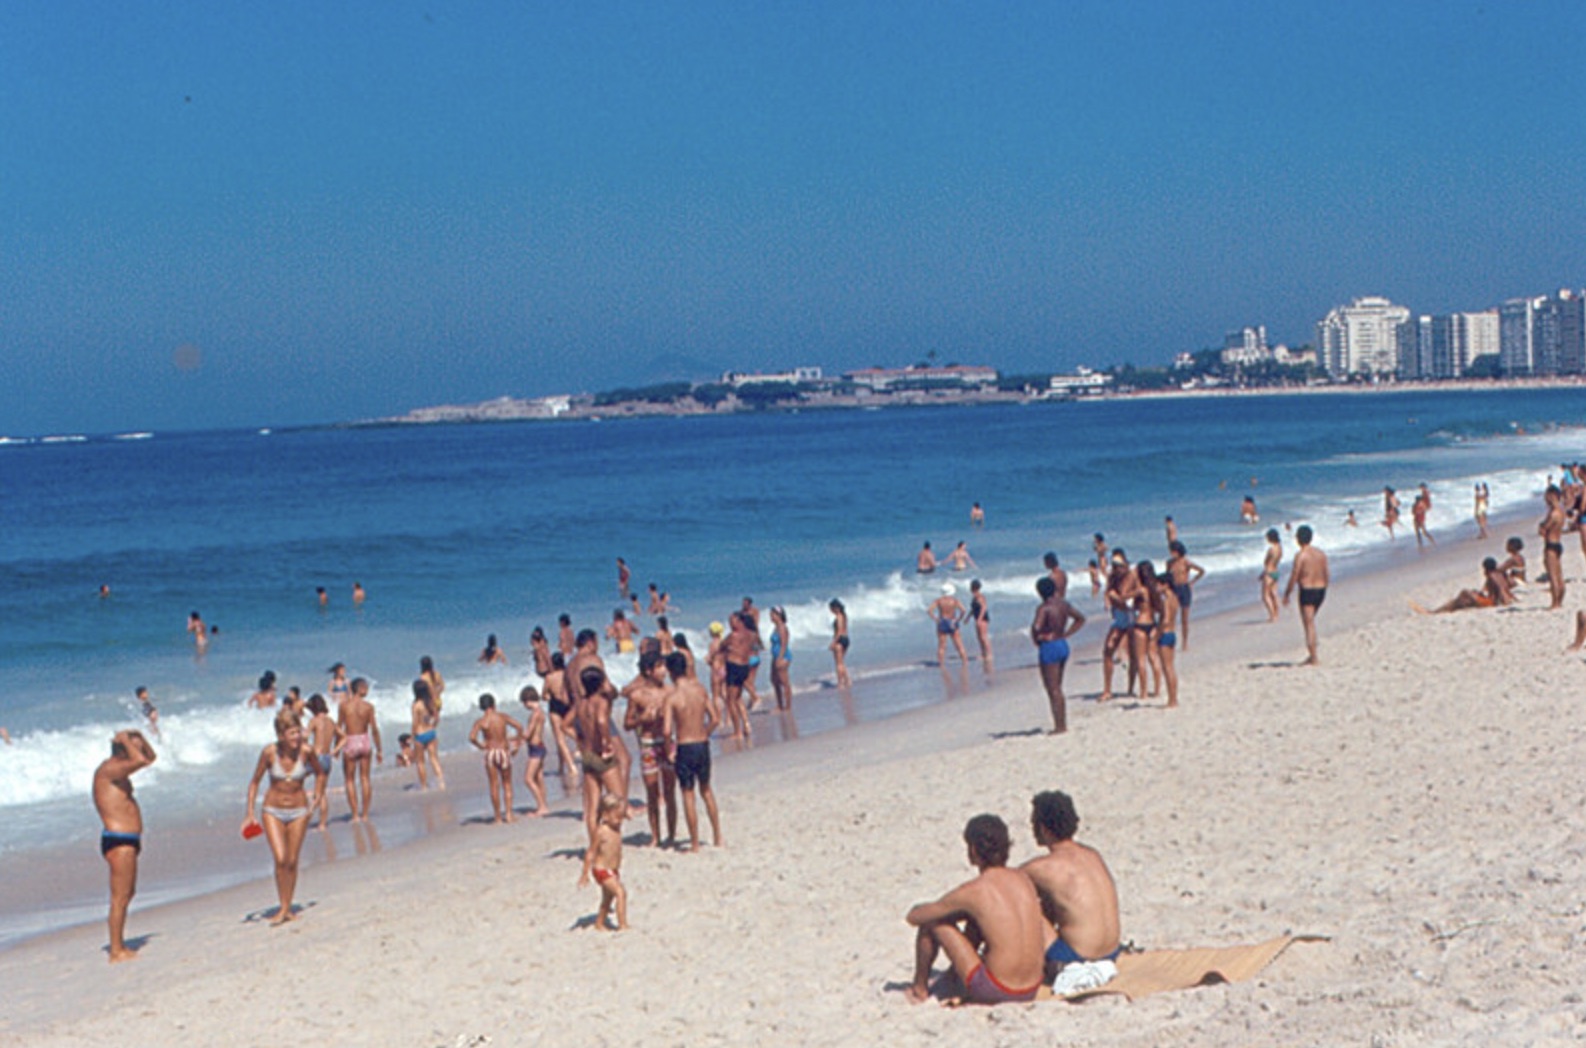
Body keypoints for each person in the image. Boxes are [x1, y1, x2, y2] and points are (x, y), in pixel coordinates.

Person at [905, 814, 1047, 1005]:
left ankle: (919, 989)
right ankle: (951, 978)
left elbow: (915, 917)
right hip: (1032, 987)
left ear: (973, 850)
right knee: (977, 919)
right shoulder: (1024, 879)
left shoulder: (975, 890)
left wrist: (922, 909)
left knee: (933, 921)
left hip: (998, 989)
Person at [1020, 791, 1122, 996]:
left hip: (1074, 958)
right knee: (1052, 898)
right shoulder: (1093, 855)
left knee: (1021, 904)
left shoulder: (1042, 868)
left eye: (1033, 824)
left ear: (1042, 827)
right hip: (1111, 953)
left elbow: (1002, 886)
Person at [243, 709, 328, 925]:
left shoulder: (306, 752)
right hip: (272, 810)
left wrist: (318, 796)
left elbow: (320, 773)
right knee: (280, 859)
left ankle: (288, 907)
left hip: (300, 810)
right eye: (292, 733)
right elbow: (254, 782)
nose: (297, 737)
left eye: (298, 731)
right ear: (281, 735)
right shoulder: (269, 753)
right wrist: (250, 813)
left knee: (291, 860)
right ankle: (282, 907)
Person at [94, 729, 156, 962]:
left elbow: (150, 758)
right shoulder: (109, 769)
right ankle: (116, 950)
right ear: (123, 750)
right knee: (119, 896)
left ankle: (118, 944)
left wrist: (139, 735)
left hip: (128, 839)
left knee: (128, 893)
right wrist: (124, 740)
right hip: (118, 839)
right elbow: (141, 760)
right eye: (134, 746)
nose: (139, 750)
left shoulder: (120, 770)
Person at [663, 651, 723, 852]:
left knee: (688, 794)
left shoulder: (672, 697)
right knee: (706, 790)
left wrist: (668, 750)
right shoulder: (700, 690)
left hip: (685, 745)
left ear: (670, 672)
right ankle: (717, 836)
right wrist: (704, 733)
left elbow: (666, 730)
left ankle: (695, 843)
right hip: (702, 744)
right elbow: (715, 718)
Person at [574, 663, 625, 883]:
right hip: (600, 754)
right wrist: (606, 742)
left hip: (587, 755)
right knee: (618, 799)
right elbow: (603, 721)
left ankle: (593, 845)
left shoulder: (581, 704)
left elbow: (572, 726)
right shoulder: (600, 702)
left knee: (592, 806)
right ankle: (608, 841)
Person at [623, 651, 678, 846]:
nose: (664, 671)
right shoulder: (637, 696)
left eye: (664, 666)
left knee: (670, 791)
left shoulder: (670, 691)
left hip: (667, 742)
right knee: (652, 792)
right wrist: (642, 719)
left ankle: (671, 834)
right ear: (648, 671)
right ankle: (655, 836)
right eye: (659, 667)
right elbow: (627, 723)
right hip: (648, 744)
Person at [1031, 576, 1086, 734]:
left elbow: (1037, 626)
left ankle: (1060, 726)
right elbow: (1080, 619)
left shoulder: (1044, 608)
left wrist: (1037, 638)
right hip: (1062, 643)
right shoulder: (1063, 604)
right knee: (1058, 687)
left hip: (1049, 646)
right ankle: (1061, 723)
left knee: (1053, 689)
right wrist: (1067, 633)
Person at [468, 693, 524, 824]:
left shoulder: (481, 721)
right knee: (507, 784)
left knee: (494, 785)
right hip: (503, 751)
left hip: (490, 753)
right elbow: (519, 726)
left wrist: (481, 745)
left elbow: (472, 737)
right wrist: (517, 742)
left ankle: (498, 817)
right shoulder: (502, 717)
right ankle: (509, 814)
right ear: (494, 704)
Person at [1282, 525, 1330, 666]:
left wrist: (1287, 593)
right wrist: (1325, 586)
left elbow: (1295, 575)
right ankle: (1313, 651)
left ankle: (1313, 657)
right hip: (1321, 589)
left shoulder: (1301, 555)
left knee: (1308, 624)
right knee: (1311, 622)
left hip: (1307, 590)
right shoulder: (1321, 554)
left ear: (1298, 539)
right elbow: (1326, 573)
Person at [335, 677, 382, 821]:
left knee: (349, 780)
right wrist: (379, 749)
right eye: (366, 687)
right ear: (360, 688)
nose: (367, 690)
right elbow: (374, 729)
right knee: (365, 778)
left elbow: (339, 727)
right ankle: (365, 814)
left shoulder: (344, 706)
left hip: (350, 740)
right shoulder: (368, 707)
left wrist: (336, 747)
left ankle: (355, 814)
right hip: (364, 740)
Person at [1100, 550, 1142, 701]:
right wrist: (1108, 601)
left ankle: (1131, 687)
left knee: (1133, 654)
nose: (1116, 569)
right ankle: (1107, 690)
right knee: (1108, 650)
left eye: (1119, 566)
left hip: (1131, 615)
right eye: (1114, 565)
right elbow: (1107, 592)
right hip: (1119, 616)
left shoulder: (1132, 576)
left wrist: (1120, 598)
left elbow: (1139, 592)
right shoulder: (1112, 577)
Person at [1413, 557, 1514, 615]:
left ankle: (1435, 612)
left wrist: (1505, 601)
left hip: (1491, 602)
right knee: (1463, 599)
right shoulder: (1498, 574)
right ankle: (1439, 610)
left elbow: (1501, 589)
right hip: (1491, 600)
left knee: (1464, 594)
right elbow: (1507, 585)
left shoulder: (1492, 576)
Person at [588, 794, 629, 931]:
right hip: (601, 869)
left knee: (608, 898)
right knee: (620, 893)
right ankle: (622, 924)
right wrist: (584, 873)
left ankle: (599, 923)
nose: (619, 821)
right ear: (605, 816)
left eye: (621, 818)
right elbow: (591, 852)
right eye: (616, 818)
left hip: (613, 869)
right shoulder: (601, 831)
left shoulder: (616, 827)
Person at [305, 694, 340, 828]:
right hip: (327, 758)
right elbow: (343, 737)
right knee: (322, 791)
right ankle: (322, 824)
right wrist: (335, 750)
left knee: (295, 780)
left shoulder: (314, 721)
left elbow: (306, 737)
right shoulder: (331, 721)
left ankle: (308, 812)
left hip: (316, 757)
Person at [1165, 540, 1205, 650]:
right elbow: (1167, 576)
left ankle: (1185, 642)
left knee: (1184, 618)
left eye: (1173, 551)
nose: (1171, 553)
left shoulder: (1186, 562)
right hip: (1174, 589)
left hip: (1184, 588)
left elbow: (1201, 571)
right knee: (1171, 617)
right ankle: (1171, 641)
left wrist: (1192, 582)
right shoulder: (1169, 563)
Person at [517, 686, 550, 816]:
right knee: (538, 777)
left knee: (528, 779)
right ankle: (543, 804)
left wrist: (516, 740)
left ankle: (541, 807)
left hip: (535, 749)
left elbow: (528, 733)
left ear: (528, 700)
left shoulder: (535, 714)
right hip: (539, 746)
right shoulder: (541, 712)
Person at [410, 678, 446, 790]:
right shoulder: (430, 703)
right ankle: (441, 783)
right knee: (434, 759)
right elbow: (437, 718)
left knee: (420, 762)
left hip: (420, 735)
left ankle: (424, 786)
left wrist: (412, 736)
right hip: (430, 732)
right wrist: (433, 726)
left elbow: (415, 723)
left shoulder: (416, 705)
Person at [1153, 571, 1181, 709]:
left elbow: (1165, 620)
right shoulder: (1174, 598)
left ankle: (1172, 700)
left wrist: (1156, 634)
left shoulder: (1166, 600)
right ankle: (1174, 697)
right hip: (1172, 633)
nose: (1157, 587)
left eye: (1158, 584)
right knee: (1171, 667)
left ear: (1165, 585)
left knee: (1167, 668)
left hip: (1165, 634)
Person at [1540, 485, 1568, 610]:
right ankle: (1560, 600)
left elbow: (1544, 529)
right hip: (1558, 543)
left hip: (1550, 544)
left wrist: (1542, 526)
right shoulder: (1561, 511)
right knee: (1559, 574)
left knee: (1552, 576)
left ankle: (1555, 602)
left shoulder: (1553, 513)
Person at [929, 583, 970, 665]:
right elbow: (963, 610)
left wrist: (936, 619)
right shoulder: (955, 601)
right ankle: (965, 662)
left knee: (942, 646)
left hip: (943, 621)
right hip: (952, 621)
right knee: (959, 645)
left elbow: (929, 610)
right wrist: (958, 619)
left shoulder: (939, 601)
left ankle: (941, 664)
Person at [767, 606, 793, 711]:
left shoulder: (782, 628)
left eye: (772, 615)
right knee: (774, 680)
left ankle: (787, 706)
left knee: (784, 681)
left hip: (783, 657)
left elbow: (784, 644)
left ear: (778, 616)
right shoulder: (776, 628)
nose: (771, 617)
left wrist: (780, 657)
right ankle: (779, 704)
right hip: (776, 656)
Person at [968, 579, 992, 667]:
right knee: (979, 637)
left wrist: (979, 619)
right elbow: (973, 609)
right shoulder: (974, 597)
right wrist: (968, 617)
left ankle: (989, 654)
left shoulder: (980, 597)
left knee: (983, 636)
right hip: (977, 617)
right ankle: (983, 653)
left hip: (982, 618)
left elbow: (983, 608)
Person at [1260, 528, 1283, 622]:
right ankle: (1276, 613)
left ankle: (1272, 615)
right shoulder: (1280, 548)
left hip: (1269, 573)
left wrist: (1263, 573)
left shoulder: (1271, 549)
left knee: (1265, 596)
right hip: (1276, 572)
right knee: (1274, 594)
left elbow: (1266, 562)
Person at [828, 599, 851, 688]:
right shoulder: (844, 616)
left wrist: (833, 643)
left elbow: (839, 632)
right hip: (845, 639)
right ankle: (847, 680)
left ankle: (840, 683)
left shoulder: (839, 617)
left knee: (838, 663)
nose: (831, 611)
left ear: (836, 608)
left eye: (831, 609)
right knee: (841, 662)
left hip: (840, 640)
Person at [1412, 483, 1435, 549]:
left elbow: (1427, 506)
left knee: (1423, 531)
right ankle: (1421, 544)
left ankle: (1430, 541)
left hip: (1421, 516)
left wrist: (1422, 510)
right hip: (1419, 516)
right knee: (1418, 531)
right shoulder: (1424, 494)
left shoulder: (1425, 494)